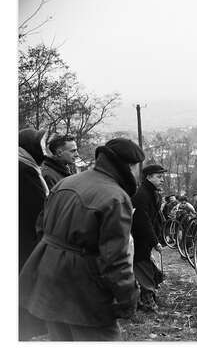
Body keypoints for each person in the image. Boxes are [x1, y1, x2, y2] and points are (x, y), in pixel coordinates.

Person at [19, 138, 145, 341]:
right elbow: (116, 260)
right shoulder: (115, 197)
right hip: (83, 292)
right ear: (131, 166)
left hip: (49, 282)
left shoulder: (65, 182)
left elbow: (41, 227)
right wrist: (128, 299)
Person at [19, 127, 49, 340]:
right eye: (41, 145)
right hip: (26, 240)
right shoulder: (24, 171)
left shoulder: (27, 167)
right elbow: (37, 210)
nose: (44, 151)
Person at [131, 164, 167, 313]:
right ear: (149, 177)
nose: (162, 180)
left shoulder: (151, 192)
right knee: (144, 269)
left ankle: (145, 298)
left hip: (144, 240)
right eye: (159, 177)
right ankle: (147, 302)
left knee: (149, 270)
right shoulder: (142, 195)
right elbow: (143, 222)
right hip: (139, 240)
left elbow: (155, 219)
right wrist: (155, 241)